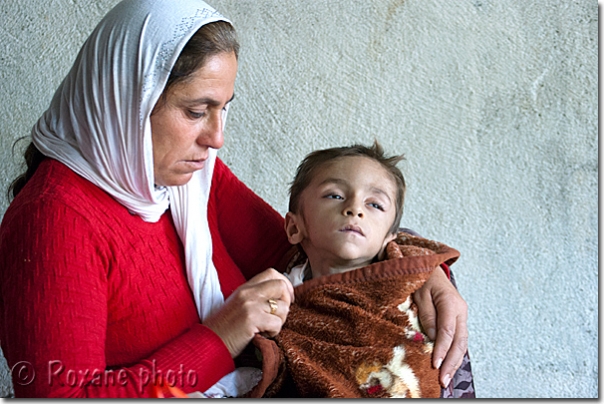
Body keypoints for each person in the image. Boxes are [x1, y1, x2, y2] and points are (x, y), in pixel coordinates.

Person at [0, 0, 468, 398]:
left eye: (223, 109)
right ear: (126, 101)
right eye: (196, 111)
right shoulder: (54, 222)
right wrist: (221, 336)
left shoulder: (188, 177)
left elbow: (310, 243)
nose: (217, 138)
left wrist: (420, 270)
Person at [243, 142, 475, 398]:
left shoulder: (409, 278)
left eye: (375, 204)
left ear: (390, 239)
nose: (355, 209)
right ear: (295, 229)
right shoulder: (277, 293)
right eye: (335, 195)